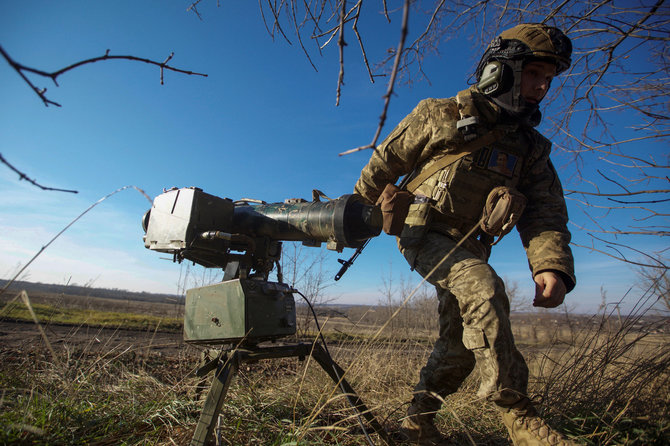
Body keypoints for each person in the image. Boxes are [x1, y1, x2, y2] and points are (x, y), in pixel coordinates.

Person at [354, 24, 577, 446]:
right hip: (425, 235)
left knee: (457, 346)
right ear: (501, 70)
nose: (542, 87)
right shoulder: (440, 114)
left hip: (472, 245)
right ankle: (518, 415)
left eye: (549, 79)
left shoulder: (532, 148)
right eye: (533, 74)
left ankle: (417, 424)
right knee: (484, 286)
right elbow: (383, 165)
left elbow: (546, 212)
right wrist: (350, 218)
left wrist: (551, 265)